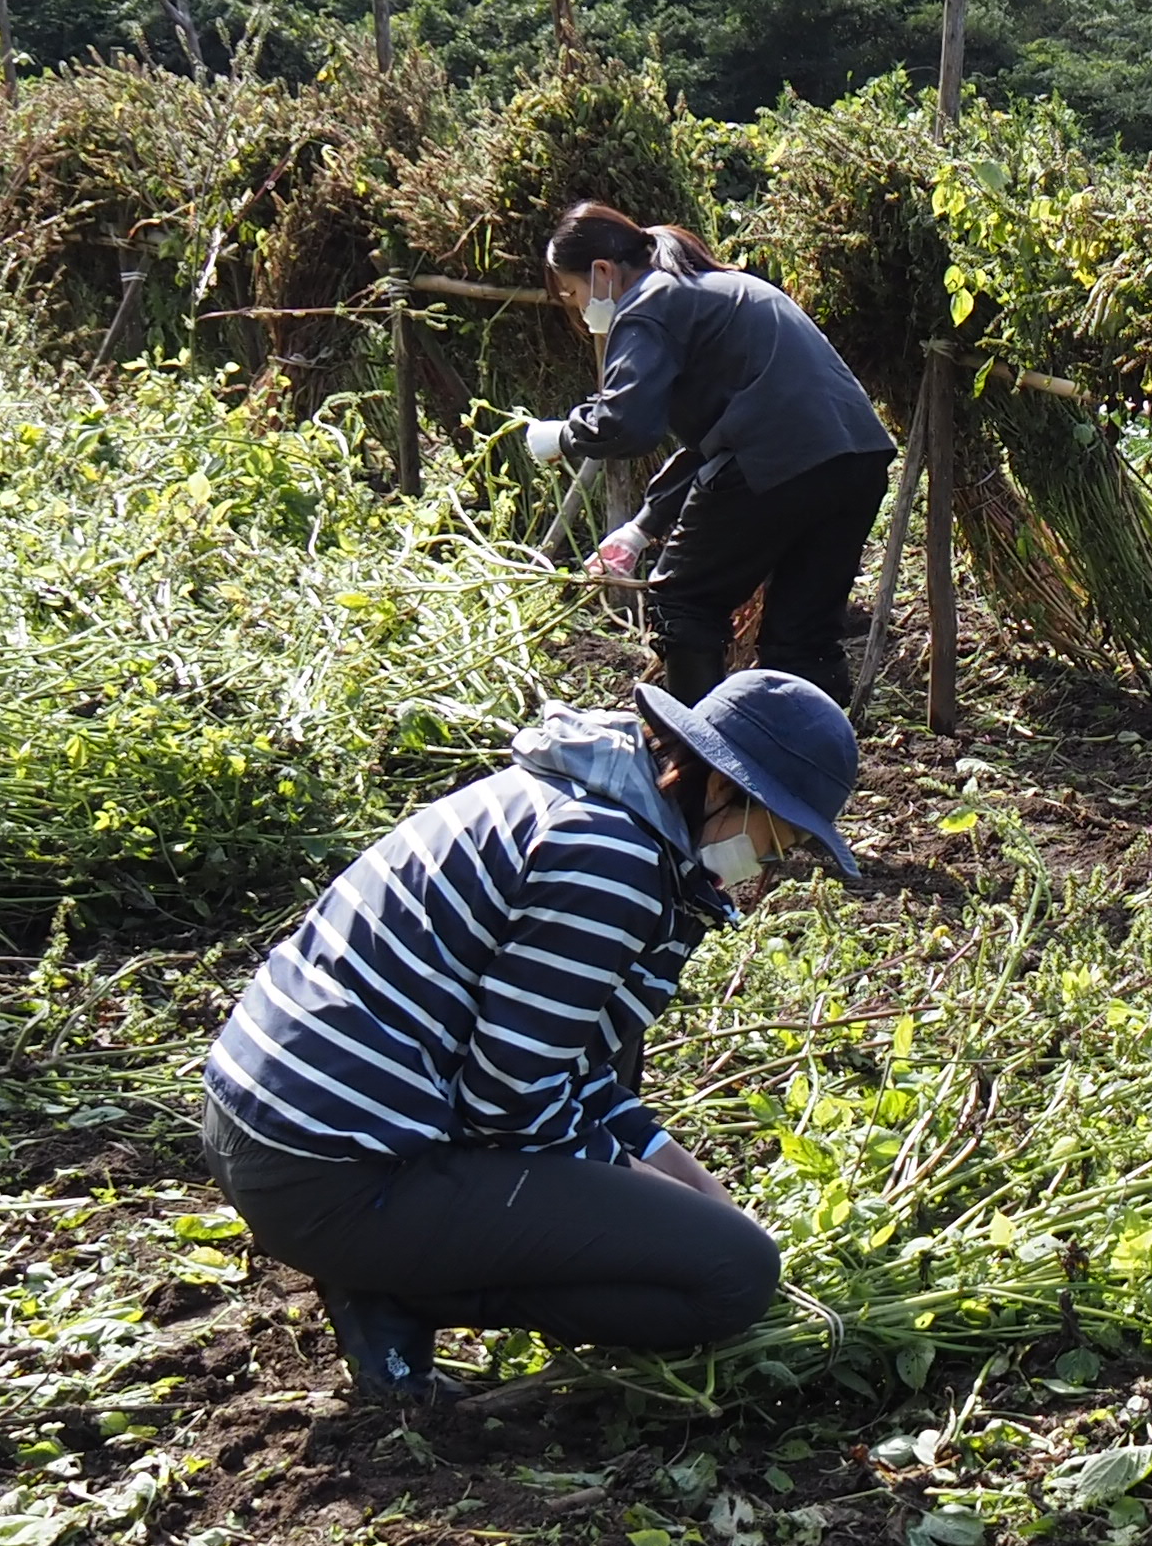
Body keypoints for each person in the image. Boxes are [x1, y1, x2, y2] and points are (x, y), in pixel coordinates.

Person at [198, 668, 864, 1405]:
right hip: (334, 1171)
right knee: (732, 1275)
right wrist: (662, 1204)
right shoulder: (612, 862)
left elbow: (566, 1057)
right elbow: (511, 1103)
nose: (770, 863)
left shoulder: (593, 801)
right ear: (719, 787)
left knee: (704, 1225)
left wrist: (691, 1183)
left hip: (278, 1137)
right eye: (778, 838)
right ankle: (396, 1289)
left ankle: (390, 1267)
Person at [521, 205, 900, 706]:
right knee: (802, 636)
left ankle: (699, 761)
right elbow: (708, 444)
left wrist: (562, 436)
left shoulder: (647, 305)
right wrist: (640, 529)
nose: (578, 309)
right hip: (855, 459)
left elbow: (625, 424)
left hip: (776, 460)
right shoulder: (715, 288)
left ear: (603, 272)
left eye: (573, 293)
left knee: (684, 602)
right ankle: (810, 769)